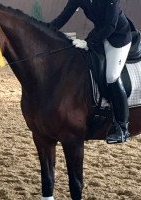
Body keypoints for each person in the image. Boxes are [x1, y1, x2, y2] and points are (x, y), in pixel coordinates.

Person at [50, 0, 132, 144]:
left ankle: (122, 127)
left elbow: (110, 25)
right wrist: (44, 30)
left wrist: (88, 42)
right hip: (99, 35)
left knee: (112, 76)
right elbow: (63, 17)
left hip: (118, 37)